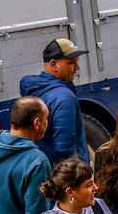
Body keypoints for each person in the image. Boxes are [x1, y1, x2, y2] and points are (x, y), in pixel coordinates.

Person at [20, 38, 90, 166]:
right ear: (53, 65)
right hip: (66, 177)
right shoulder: (64, 98)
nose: (77, 67)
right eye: (71, 62)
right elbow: (66, 153)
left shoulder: (35, 89)